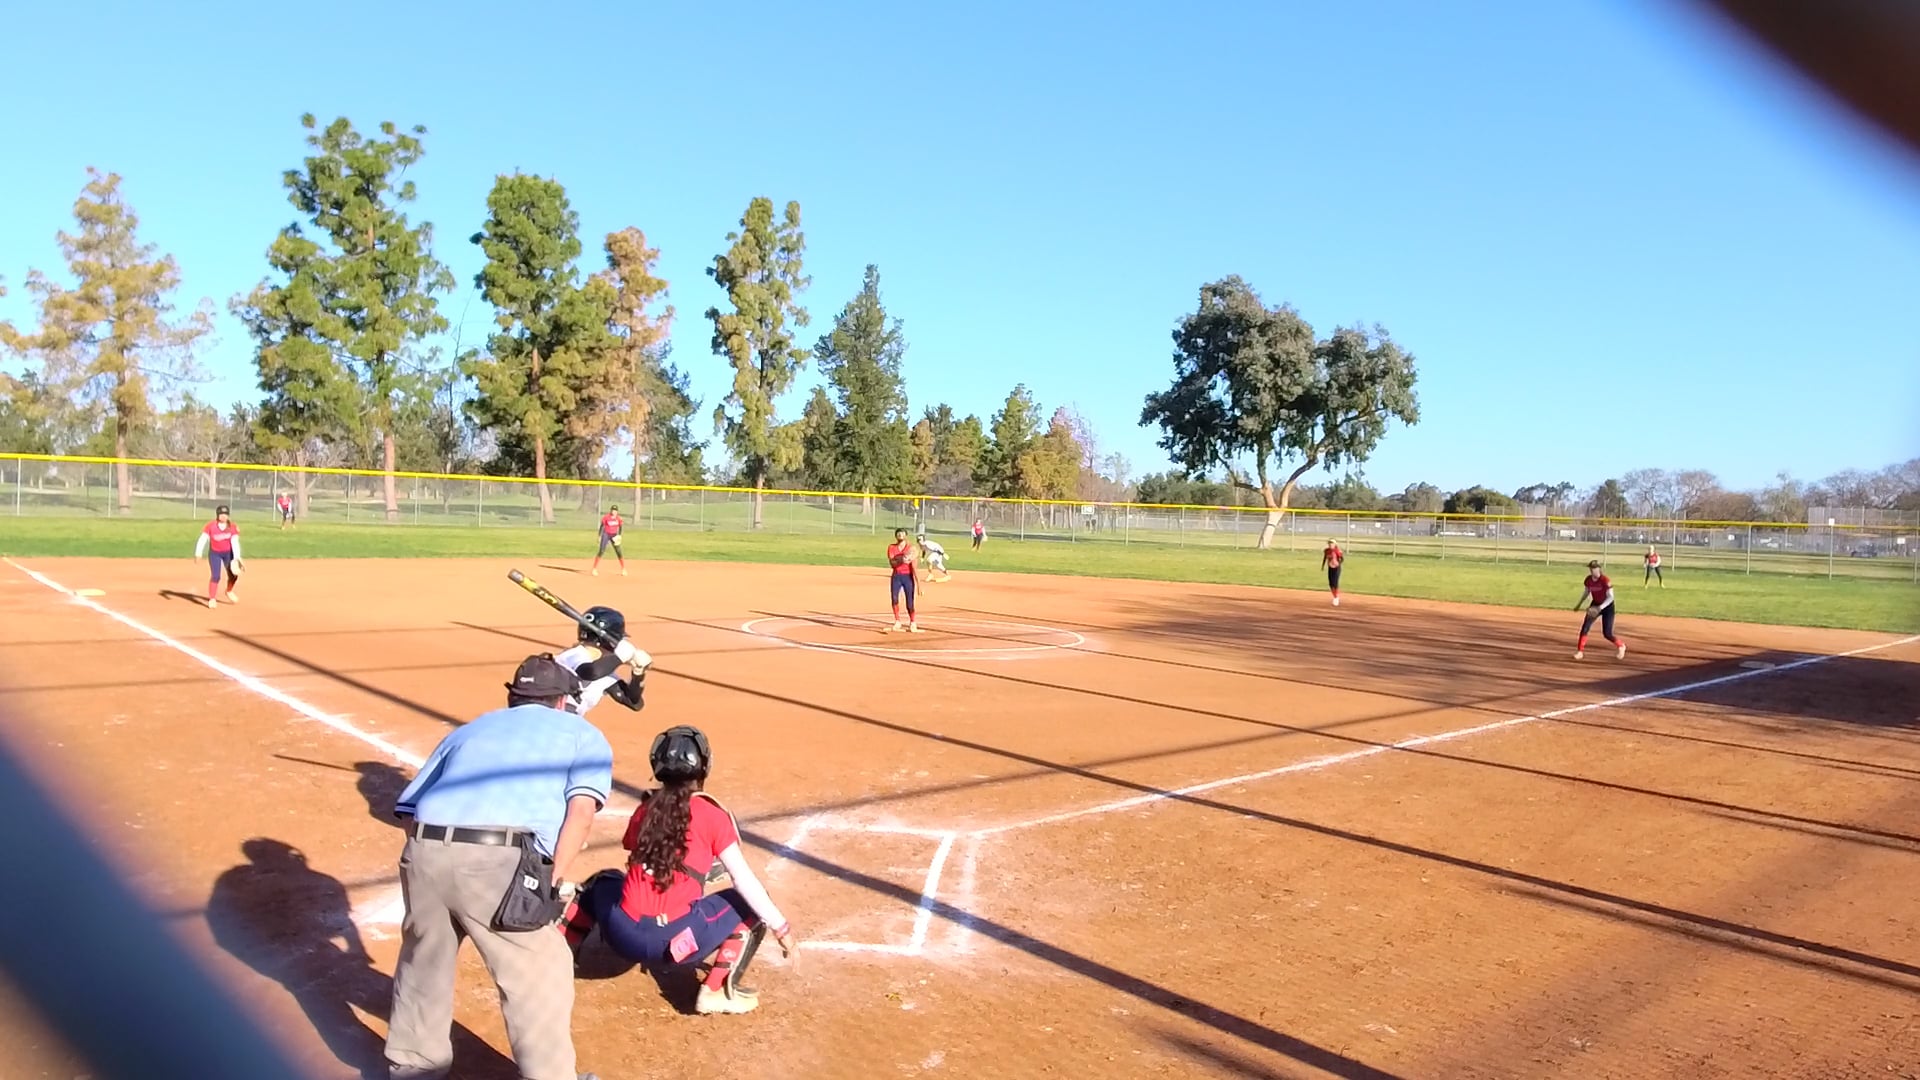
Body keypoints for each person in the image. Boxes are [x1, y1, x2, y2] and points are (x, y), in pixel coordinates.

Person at [385, 655, 613, 1080]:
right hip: (495, 859)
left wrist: (436, 862)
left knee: (424, 961)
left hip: (424, 848)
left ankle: (413, 1067)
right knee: (541, 968)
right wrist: (552, 881)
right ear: (561, 701)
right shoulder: (582, 733)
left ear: (514, 697)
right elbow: (581, 813)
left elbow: (408, 811)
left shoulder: (469, 730)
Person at [562, 725, 797, 1015]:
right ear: (704, 767)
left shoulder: (645, 809)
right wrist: (781, 928)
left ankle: (560, 953)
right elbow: (743, 880)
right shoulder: (712, 814)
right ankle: (716, 990)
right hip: (674, 943)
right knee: (748, 903)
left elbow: (636, 850)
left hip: (621, 934)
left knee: (603, 882)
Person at [554, 606, 652, 716]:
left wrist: (638, 674)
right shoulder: (572, 656)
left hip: (565, 721)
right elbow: (590, 673)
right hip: (546, 718)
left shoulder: (604, 672)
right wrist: (619, 657)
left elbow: (633, 702)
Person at [1573, 560, 1627, 661]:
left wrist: (1600, 608)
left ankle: (1621, 645)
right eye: (1591, 568)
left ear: (1599, 569)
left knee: (1607, 633)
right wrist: (1579, 604)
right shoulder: (1588, 580)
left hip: (1607, 607)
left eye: (1594, 568)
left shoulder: (1605, 580)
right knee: (1585, 627)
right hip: (1595, 604)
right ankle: (1580, 652)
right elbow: (1586, 592)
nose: (1592, 570)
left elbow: (1610, 597)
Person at [192, 505, 243, 610]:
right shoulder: (211, 526)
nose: (223, 516)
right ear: (217, 515)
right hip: (215, 554)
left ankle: (229, 591)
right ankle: (212, 599)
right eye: (221, 514)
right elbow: (203, 539)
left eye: (226, 514)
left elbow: (235, 542)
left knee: (234, 575)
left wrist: (237, 557)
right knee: (216, 576)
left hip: (228, 553)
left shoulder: (232, 527)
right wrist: (198, 553)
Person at [886, 527, 921, 632]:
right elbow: (893, 563)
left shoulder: (910, 549)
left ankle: (912, 622)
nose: (900, 535)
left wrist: (919, 584)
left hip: (907, 577)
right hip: (896, 576)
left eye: (902, 533)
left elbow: (914, 568)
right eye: (898, 533)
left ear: (906, 535)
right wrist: (903, 559)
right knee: (894, 598)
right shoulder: (892, 547)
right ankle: (897, 621)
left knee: (910, 602)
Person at [592, 505, 626, 577]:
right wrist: (599, 536)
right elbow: (602, 526)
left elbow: (620, 527)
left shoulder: (618, 518)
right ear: (610, 510)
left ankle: (623, 569)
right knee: (601, 550)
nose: (614, 512)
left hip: (614, 535)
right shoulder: (606, 517)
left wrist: (619, 535)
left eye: (615, 510)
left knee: (618, 551)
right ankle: (594, 568)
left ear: (617, 511)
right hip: (606, 534)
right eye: (613, 510)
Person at [1321, 539, 1345, 607]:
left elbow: (1342, 559)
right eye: (1329, 543)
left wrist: (1338, 563)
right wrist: (1323, 566)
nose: (1330, 544)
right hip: (1330, 568)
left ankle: (1336, 598)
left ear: (1334, 544)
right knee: (1331, 584)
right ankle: (1335, 596)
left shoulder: (1337, 551)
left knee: (1335, 583)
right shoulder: (1327, 550)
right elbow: (1325, 558)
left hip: (1336, 568)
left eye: (1332, 543)